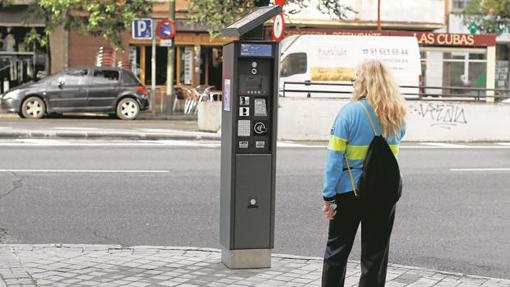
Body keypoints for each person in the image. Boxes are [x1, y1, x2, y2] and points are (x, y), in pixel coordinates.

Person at [321, 59, 407, 287]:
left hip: (349, 192)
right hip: (383, 192)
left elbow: (334, 159)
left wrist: (329, 196)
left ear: (362, 81)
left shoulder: (348, 113)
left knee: (337, 252)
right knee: (375, 256)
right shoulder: (396, 115)